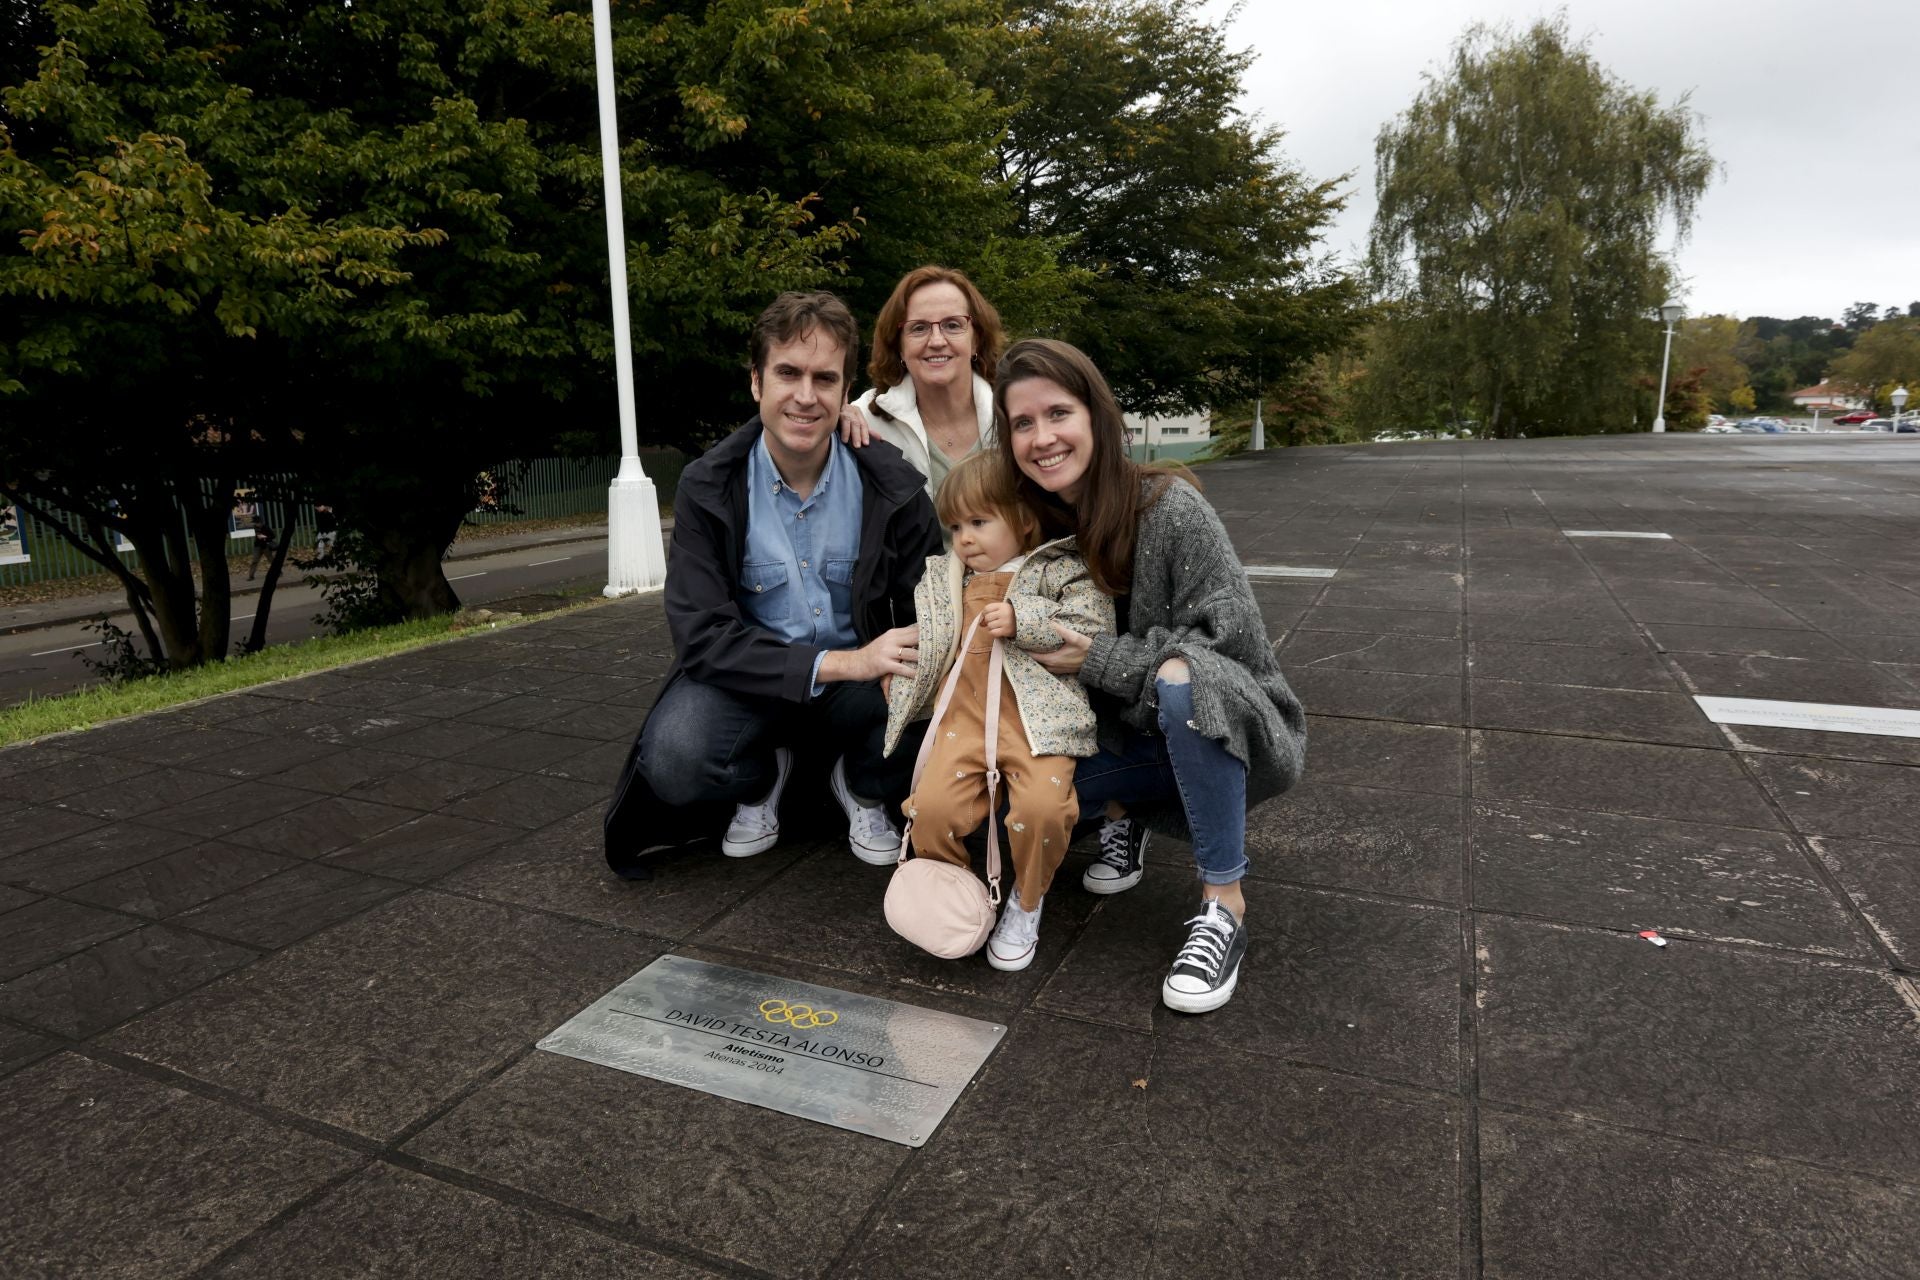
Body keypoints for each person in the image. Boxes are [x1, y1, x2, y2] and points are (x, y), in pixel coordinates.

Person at [994, 338, 1306, 1013]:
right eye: (1023, 423)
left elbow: (1234, 647)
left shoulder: (1171, 509)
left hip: (1225, 728)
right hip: (1116, 743)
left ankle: (1223, 904)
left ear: (1097, 417)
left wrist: (1100, 659)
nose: (1042, 437)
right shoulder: (1032, 529)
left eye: (1058, 413)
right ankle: (1122, 810)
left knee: (1180, 679)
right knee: (997, 820)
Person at [603, 291, 942, 879]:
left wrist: (887, 667)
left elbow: (934, 612)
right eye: (788, 373)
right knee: (675, 758)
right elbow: (703, 638)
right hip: (748, 681)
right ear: (757, 382)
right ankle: (763, 777)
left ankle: (859, 786)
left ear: (845, 392)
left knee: (935, 720)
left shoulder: (895, 486)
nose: (806, 396)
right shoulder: (708, 486)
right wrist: (848, 662)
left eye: (824, 378)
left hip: (859, 695)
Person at [881, 452, 1114, 971]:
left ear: (1024, 518)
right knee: (932, 810)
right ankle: (954, 894)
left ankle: (1026, 900)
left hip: (1038, 722)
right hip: (961, 718)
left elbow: (1093, 627)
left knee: (1042, 812)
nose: (964, 538)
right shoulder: (947, 579)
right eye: (956, 526)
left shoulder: (1062, 568)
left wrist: (1023, 616)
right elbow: (933, 641)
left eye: (980, 522)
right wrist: (901, 681)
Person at [839, 266, 1006, 501]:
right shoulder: (867, 422)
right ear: (899, 346)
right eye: (919, 328)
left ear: (976, 340)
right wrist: (834, 422)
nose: (937, 341)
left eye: (952, 325)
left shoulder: (1013, 411)